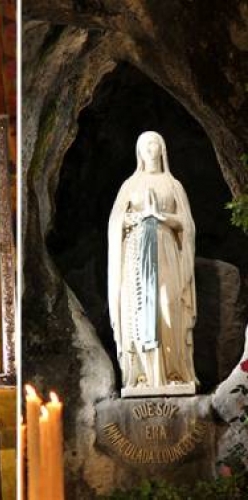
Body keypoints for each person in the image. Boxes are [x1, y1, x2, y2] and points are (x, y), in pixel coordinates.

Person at [108, 131, 197, 394]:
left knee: (167, 307)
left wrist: (161, 217)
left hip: (165, 250)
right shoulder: (129, 185)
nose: (150, 148)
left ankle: (173, 373)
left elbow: (186, 225)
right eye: (145, 144)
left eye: (154, 143)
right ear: (138, 151)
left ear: (162, 149)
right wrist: (136, 219)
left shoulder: (173, 185)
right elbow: (115, 222)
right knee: (139, 310)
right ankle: (145, 376)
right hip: (137, 254)